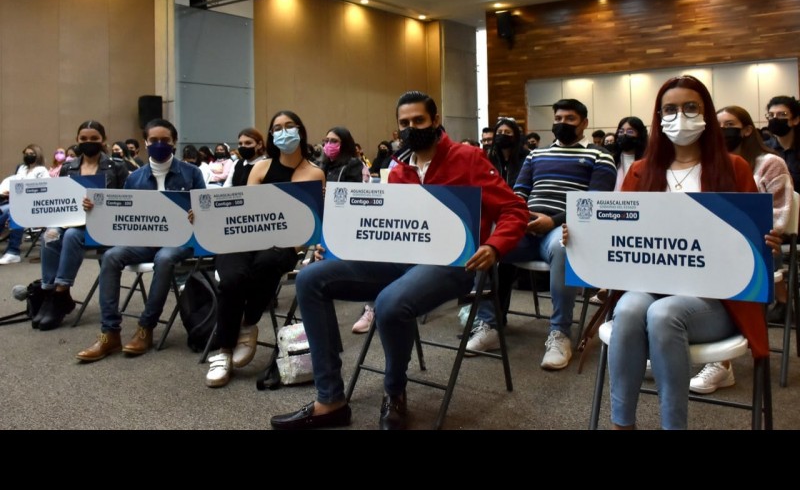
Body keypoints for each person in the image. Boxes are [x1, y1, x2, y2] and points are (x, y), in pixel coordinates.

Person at [269, 90, 529, 431]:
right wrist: (332, 245)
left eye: (419, 120)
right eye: (404, 123)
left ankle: (394, 392)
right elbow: (381, 227)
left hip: (454, 265)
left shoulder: (468, 158)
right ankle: (330, 399)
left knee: (390, 302)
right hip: (399, 260)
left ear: (435, 120)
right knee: (310, 278)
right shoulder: (398, 168)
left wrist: (494, 246)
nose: (411, 128)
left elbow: (514, 210)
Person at [598, 75, 772, 430]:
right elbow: (618, 233)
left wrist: (764, 239)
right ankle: (622, 424)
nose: (680, 116)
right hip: (650, 285)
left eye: (691, 107)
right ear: (659, 116)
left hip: (717, 299)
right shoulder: (641, 172)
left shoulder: (734, 168)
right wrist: (585, 238)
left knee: (664, 314)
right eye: (670, 109)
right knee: (628, 309)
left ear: (705, 112)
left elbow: (751, 237)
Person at [206, 114, 325, 387]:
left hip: (286, 243)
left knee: (269, 262)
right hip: (246, 239)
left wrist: (295, 244)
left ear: (300, 130)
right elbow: (248, 210)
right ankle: (223, 351)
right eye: (277, 128)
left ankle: (248, 323)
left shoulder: (315, 173)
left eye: (289, 127)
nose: (284, 132)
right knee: (233, 278)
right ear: (271, 136)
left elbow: (311, 221)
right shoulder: (260, 168)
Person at [76, 118, 206, 362]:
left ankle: (146, 327)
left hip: (180, 241)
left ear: (174, 142)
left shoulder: (192, 173)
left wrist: (197, 213)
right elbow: (123, 214)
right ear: (145, 142)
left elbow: (205, 211)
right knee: (111, 256)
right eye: (153, 140)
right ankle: (109, 332)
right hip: (144, 239)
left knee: (164, 258)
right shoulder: (134, 178)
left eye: (165, 140)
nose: (159, 144)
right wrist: (94, 208)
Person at [502, 99, 617, 370]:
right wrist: (521, 217)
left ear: (584, 123)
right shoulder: (535, 155)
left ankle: (560, 333)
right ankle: (489, 323)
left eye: (570, 119)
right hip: (527, 225)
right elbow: (519, 192)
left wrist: (552, 221)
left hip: (564, 229)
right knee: (491, 243)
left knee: (564, 246)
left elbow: (594, 203)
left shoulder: (600, 156)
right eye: (558, 119)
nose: (562, 123)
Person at [687, 105, 793, 393]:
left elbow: (779, 215)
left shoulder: (769, 163)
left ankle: (721, 363)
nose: (722, 131)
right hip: (712, 246)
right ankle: (666, 343)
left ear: (747, 130)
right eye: (718, 125)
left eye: (729, 125)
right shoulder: (707, 165)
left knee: (722, 266)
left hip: (760, 246)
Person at [35, 121, 129, 330]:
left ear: (103, 140)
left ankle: (61, 293)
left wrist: (100, 203)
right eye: (84, 139)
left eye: (94, 138)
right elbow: (61, 197)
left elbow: (127, 200)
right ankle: (50, 292)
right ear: (77, 140)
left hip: (104, 225)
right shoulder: (68, 167)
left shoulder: (116, 167)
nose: (89, 142)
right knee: (49, 235)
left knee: (72, 236)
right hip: (71, 219)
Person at [465, 116, 533, 354]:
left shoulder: (526, 159)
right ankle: (489, 320)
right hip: (491, 213)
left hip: (515, 215)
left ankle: (496, 316)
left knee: (501, 259)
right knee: (483, 249)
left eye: (508, 132)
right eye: (499, 132)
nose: (503, 136)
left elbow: (519, 198)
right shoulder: (487, 157)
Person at [0, 144, 50, 265]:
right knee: (4, 210)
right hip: (14, 201)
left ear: (38, 155)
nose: (28, 156)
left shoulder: (42, 171)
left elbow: (45, 190)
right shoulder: (21, 169)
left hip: (32, 205)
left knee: (12, 211)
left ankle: (13, 252)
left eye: (31, 154)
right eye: (26, 154)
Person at [764, 95, 800, 189]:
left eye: (782, 114)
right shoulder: (764, 149)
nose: (775, 118)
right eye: (771, 115)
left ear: (795, 120)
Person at [611, 116, 649, 191]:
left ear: (640, 135)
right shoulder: (612, 159)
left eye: (630, 132)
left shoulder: (648, 162)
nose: (624, 134)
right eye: (621, 132)